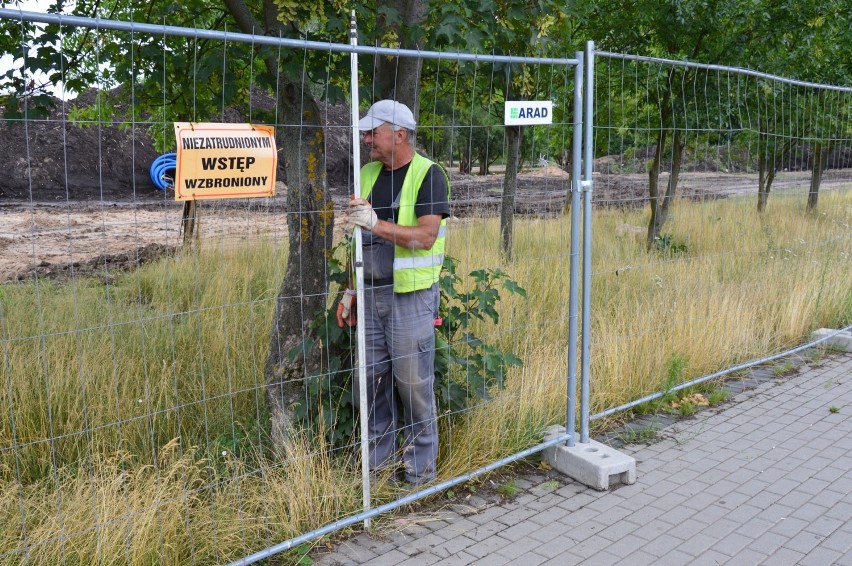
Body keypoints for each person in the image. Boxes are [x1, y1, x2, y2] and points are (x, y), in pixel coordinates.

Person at [339, 100, 450, 486]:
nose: (367, 138)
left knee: (414, 386)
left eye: (373, 132)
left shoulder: (428, 175)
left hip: (411, 300)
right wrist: (350, 291)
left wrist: (375, 223)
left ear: (399, 135)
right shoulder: (367, 172)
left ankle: (420, 475)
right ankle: (378, 471)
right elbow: (357, 239)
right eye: (366, 132)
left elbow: (425, 236)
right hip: (369, 296)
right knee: (370, 385)